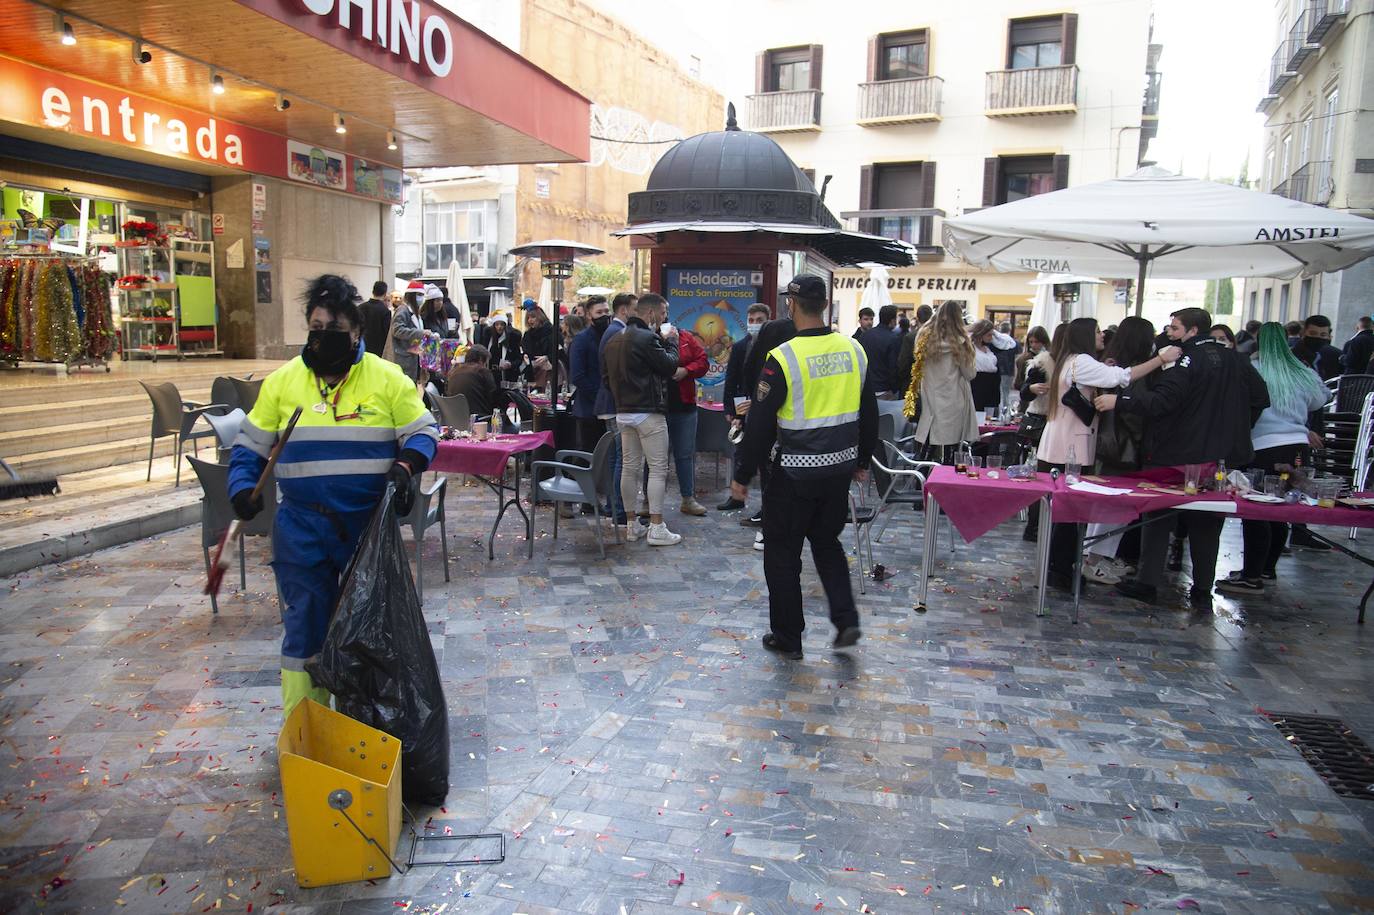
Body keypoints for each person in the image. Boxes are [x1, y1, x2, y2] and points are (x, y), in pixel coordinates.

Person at [229, 275, 438, 714]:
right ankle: (306, 728)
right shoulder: (283, 383)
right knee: (305, 631)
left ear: (358, 332)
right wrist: (242, 487)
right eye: (316, 329)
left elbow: (422, 432)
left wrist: (406, 466)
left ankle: (363, 724)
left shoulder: (388, 380)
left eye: (334, 331)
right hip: (302, 530)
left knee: (369, 631)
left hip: (366, 532)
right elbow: (249, 447)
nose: (323, 338)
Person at [728, 274, 877, 660]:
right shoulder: (854, 350)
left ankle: (788, 637)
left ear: (791, 305)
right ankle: (846, 621)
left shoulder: (784, 356)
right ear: (825, 305)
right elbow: (869, 411)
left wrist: (742, 476)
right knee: (827, 544)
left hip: (792, 473)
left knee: (781, 553)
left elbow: (760, 423)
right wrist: (862, 461)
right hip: (837, 471)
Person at [1096, 307, 1270, 609]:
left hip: (1174, 453)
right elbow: (1260, 397)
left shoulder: (1183, 358)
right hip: (1218, 457)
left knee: (1157, 516)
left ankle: (1148, 582)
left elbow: (1163, 401)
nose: (1168, 333)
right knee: (1207, 523)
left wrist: (1119, 401)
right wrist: (1233, 429)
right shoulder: (1235, 358)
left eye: (1174, 328)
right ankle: (1202, 588)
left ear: (1191, 331)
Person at [1038, 318, 1177, 590]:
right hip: (1071, 447)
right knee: (1069, 513)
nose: (1102, 336)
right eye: (1097, 331)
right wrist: (1160, 359)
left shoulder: (1072, 360)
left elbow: (1108, 375)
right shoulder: (1081, 361)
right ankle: (1060, 570)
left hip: (1063, 443)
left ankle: (1059, 568)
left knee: (1064, 513)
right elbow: (1122, 378)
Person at [1217, 322, 1330, 592]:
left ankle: (1251, 576)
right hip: (1297, 448)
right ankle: (1267, 569)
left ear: (1258, 341)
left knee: (1256, 511)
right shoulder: (1303, 371)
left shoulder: (1252, 368)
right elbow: (1319, 400)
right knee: (1279, 510)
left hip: (1263, 448)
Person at [1082, 317, 1157, 583]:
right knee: (1113, 504)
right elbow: (1137, 411)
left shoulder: (1108, 365)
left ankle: (1094, 558)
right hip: (1122, 446)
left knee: (1105, 502)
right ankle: (1094, 561)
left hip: (1105, 442)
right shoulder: (1134, 371)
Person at [602, 293, 682, 546]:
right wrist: (671, 342)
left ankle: (631, 524)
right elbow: (670, 366)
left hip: (623, 412)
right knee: (658, 468)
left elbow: (605, 379)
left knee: (629, 468)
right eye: (662, 313)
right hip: (648, 412)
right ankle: (656, 527)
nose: (664, 318)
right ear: (650, 313)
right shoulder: (648, 338)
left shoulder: (614, 339)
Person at [737, 317, 798, 548]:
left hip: (766, 422)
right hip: (792, 428)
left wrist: (743, 474)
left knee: (770, 478)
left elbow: (749, 378)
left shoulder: (763, 356)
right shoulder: (791, 355)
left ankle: (768, 528)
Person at [906, 301, 978, 461]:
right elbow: (970, 374)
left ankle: (923, 480)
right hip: (953, 401)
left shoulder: (923, 336)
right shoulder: (961, 341)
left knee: (927, 448)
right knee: (950, 452)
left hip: (929, 398)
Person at [719, 303, 772, 511]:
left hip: (765, 410)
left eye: (759, 320)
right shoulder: (741, 346)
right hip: (742, 408)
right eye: (751, 320)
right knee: (740, 453)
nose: (754, 324)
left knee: (765, 460)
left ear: (768, 320)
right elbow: (731, 379)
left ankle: (767, 505)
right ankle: (737, 498)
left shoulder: (775, 347)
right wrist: (729, 410)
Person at [595, 293, 637, 526]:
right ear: (624, 311)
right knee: (622, 458)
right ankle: (619, 508)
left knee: (615, 458)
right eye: (634, 308)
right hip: (614, 403)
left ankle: (614, 506)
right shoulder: (617, 333)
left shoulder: (612, 332)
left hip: (609, 402)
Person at [665, 324, 710, 516]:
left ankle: (688, 499)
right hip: (658, 407)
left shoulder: (685, 336)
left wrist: (686, 370)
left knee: (685, 455)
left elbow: (703, 361)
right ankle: (648, 503)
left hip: (685, 406)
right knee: (655, 459)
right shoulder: (649, 338)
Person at [569, 296, 610, 452]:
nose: (604, 315)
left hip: (607, 407)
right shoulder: (581, 339)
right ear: (588, 315)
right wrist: (598, 396)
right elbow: (578, 376)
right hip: (588, 409)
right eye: (599, 312)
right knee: (588, 452)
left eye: (606, 311)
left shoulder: (611, 335)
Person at [966, 319, 1016, 413]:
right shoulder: (970, 348)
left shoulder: (990, 348)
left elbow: (1010, 344)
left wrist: (994, 333)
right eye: (989, 335)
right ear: (981, 334)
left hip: (992, 388)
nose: (991, 337)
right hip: (976, 387)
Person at [445, 344, 499, 418]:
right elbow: (493, 397)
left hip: (456, 419)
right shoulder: (481, 371)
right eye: (485, 363)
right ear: (480, 359)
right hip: (479, 420)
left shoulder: (453, 372)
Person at [860, 304, 902, 397]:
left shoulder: (865, 336)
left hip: (866, 388)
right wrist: (895, 388)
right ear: (892, 321)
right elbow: (893, 366)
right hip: (884, 389)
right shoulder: (893, 338)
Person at [896, 303, 934, 395]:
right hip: (933, 384)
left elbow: (903, 363)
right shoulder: (938, 336)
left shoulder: (910, 337)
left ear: (917, 318)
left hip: (913, 383)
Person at [1292, 314, 1343, 381]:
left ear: (1329, 336)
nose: (1317, 337)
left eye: (1323, 335)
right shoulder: (1292, 355)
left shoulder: (1336, 355)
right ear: (1303, 333)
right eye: (1313, 334)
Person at [391, 287, 426, 382]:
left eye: (422, 295)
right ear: (411, 296)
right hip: (403, 358)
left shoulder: (414, 313)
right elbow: (397, 330)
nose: (421, 298)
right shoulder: (403, 310)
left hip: (411, 357)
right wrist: (420, 333)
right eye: (419, 295)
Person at [521, 303, 556, 389]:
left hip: (548, 371)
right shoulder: (527, 335)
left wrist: (547, 357)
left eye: (533, 317)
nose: (530, 320)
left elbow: (559, 351)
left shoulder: (551, 332)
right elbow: (525, 351)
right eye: (528, 318)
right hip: (532, 371)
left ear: (540, 317)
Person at [486, 311, 524, 384]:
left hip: (508, 376)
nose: (499, 327)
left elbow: (519, 358)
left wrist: (511, 364)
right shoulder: (489, 338)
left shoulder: (512, 339)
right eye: (497, 324)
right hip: (492, 375)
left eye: (501, 324)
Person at [994, 321, 1022, 409]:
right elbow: (1017, 360)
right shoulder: (1015, 343)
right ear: (1010, 330)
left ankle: (999, 412)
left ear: (999, 329)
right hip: (1010, 371)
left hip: (997, 370)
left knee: (997, 393)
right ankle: (1006, 412)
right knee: (1006, 393)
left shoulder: (995, 342)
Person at [359, 280, 391, 357]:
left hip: (362, 347)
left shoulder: (360, 307)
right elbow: (387, 333)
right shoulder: (385, 311)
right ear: (385, 294)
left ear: (373, 291)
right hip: (379, 350)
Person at [1014, 326, 1051, 390]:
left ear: (1044, 342)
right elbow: (1018, 383)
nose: (1033, 345)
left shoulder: (1050, 357)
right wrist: (1029, 388)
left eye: (1037, 342)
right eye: (1031, 342)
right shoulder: (1024, 359)